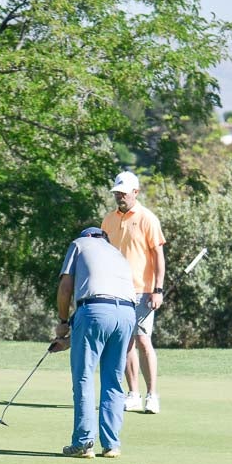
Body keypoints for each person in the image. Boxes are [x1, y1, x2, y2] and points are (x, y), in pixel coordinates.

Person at [50, 228, 137, 458]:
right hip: (127, 314)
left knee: (84, 377)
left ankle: (83, 442)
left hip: (95, 309)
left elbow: (65, 287)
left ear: (87, 237)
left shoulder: (79, 244)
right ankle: (111, 444)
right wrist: (70, 340)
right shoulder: (117, 253)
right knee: (113, 380)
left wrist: (63, 321)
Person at [101, 171, 166, 414]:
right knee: (125, 343)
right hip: (116, 291)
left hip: (142, 291)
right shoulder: (108, 220)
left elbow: (158, 256)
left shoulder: (147, 218)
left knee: (142, 340)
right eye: (117, 193)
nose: (120, 197)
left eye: (123, 193)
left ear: (135, 193)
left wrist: (157, 290)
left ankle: (152, 395)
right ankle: (133, 394)